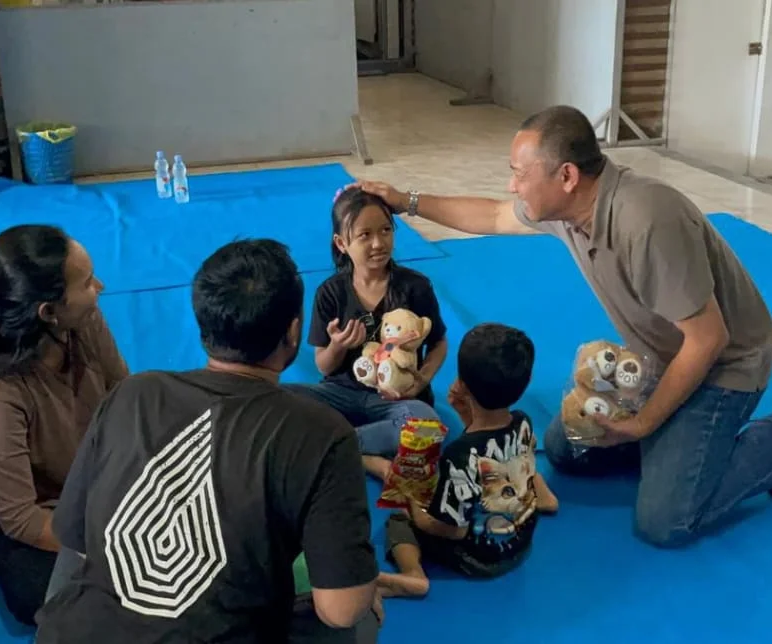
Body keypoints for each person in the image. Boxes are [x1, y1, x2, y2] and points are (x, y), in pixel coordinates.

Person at [349, 105, 772, 548]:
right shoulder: (569, 209)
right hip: (664, 357)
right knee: (569, 445)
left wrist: (642, 423)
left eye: (519, 173)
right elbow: (491, 215)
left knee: (666, 521)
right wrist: (404, 201)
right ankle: (669, 445)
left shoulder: (647, 221)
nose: (513, 186)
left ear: (566, 176)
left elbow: (709, 339)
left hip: (724, 364)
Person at [35, 239, 382, 643]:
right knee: (360, 618)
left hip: (69, 634)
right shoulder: (321, 432)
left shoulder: (133, 393)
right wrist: (360, 582)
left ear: (203, 324)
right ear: (292, 330)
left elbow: (73, 538)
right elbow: (340, 609)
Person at [0, 224, 128, 625]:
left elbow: (123, 390)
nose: (99, 287)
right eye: (86, 283)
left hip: (95, 479)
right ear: (47, 312)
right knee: (50, 594)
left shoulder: (83, 320)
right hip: (42, 513)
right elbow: (21, 518)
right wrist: (110, 543)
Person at [378, 323, 558, 597]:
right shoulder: (524, 422)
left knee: (399, 518)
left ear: (460, 383)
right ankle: (540, 499)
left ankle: (413, 574)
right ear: (528, 380)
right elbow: (487, 444)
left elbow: (451, 529)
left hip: (482, 558)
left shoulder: (458, 457)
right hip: (521, 544)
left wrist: (412, 502)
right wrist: (467, 417)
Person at [292, 187, 448, 479]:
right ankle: (364, 454)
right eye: (365, 235)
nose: (379, 243)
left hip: (397, 400)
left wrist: (422, 379)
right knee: (277, 400)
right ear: (341, 243)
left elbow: (438, 342)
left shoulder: (415, 287)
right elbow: (322, 365)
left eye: (386, 230)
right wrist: (338, 346)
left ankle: (336, 444)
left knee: (426, 424)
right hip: (341, 394)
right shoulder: (330, 292)